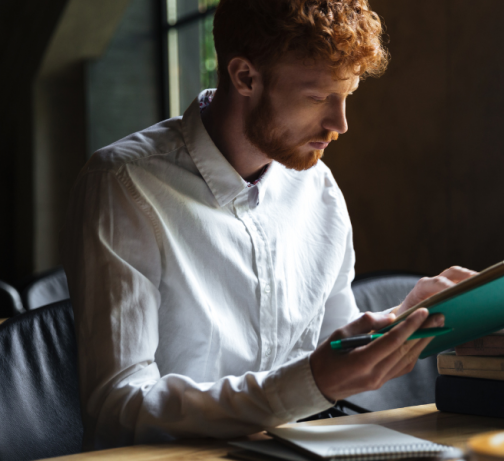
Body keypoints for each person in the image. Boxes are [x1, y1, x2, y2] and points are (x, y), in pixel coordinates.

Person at [62, 0, 475, 450]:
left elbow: (330, 352)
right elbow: (118, 407)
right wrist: (304, 385)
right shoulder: (124, 184)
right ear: (245, 77)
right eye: (318, 97)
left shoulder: (318, 189)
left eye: (347, 96)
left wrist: (402, 319)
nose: (340, 124)